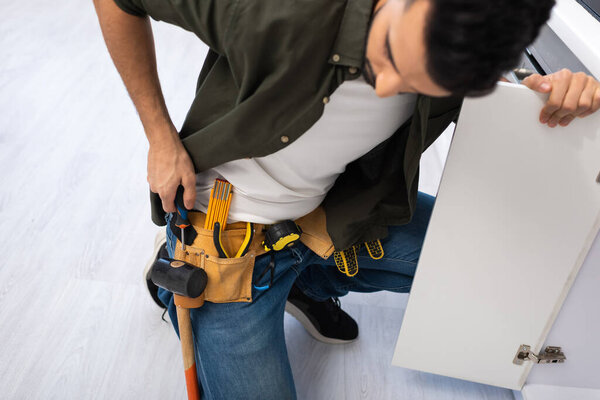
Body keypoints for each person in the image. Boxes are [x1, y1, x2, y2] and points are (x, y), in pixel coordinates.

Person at [93, 0, 600, 398]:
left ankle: (300, 280)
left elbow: (502, 90)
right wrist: (160, 138)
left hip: (330, 217)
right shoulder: (281, 10)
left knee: (496, 268)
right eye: (394, 57)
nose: (391, 89)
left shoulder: (463, 38)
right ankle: (176, 279)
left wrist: (546, 93)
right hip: (228, 243)